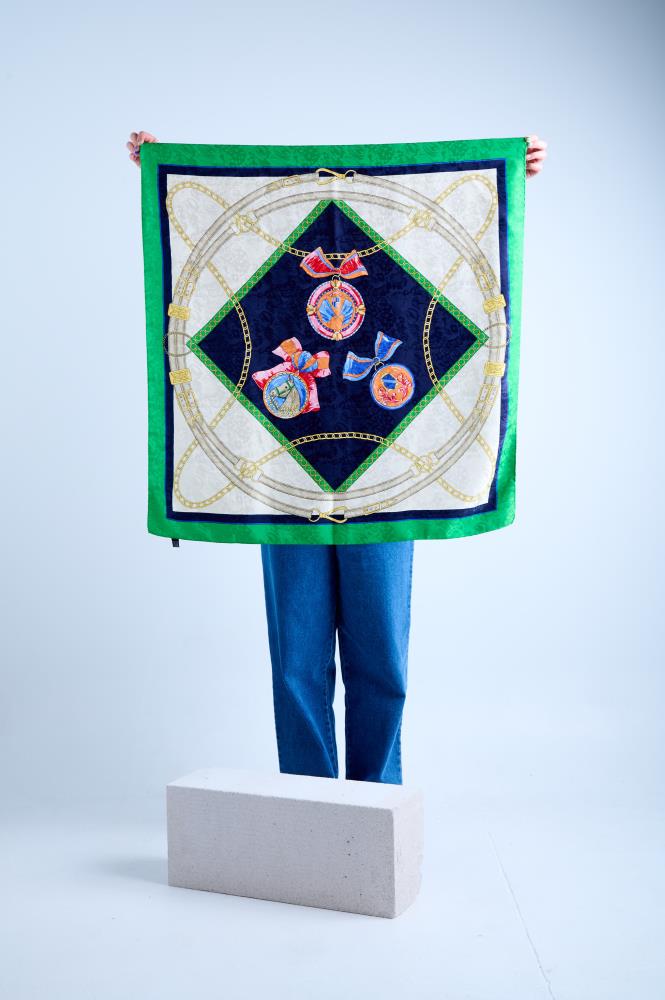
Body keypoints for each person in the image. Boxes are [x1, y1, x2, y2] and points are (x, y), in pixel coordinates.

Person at [128, 130, 548, 784]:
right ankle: (310, 807)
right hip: (281, 472)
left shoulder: (398, 244)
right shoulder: (275, 248)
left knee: (380, 656)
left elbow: (444, 246)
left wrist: (509, 176)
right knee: (296, 663)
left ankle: (378, 805)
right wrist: (167, 166)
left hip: (386, 476)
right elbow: (231, 242)